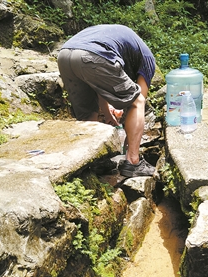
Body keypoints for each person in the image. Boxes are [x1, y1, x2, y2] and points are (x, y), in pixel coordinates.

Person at [57, 24, 156, 178]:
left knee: (88, 115)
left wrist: (108, 114)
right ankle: (133, 162)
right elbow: (136, 102)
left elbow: (100, 84)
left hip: (65, 55)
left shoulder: (117, 42)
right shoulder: (148, 60)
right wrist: (131, 143)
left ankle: (92, 163)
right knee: (139, 102)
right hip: (93, 56)